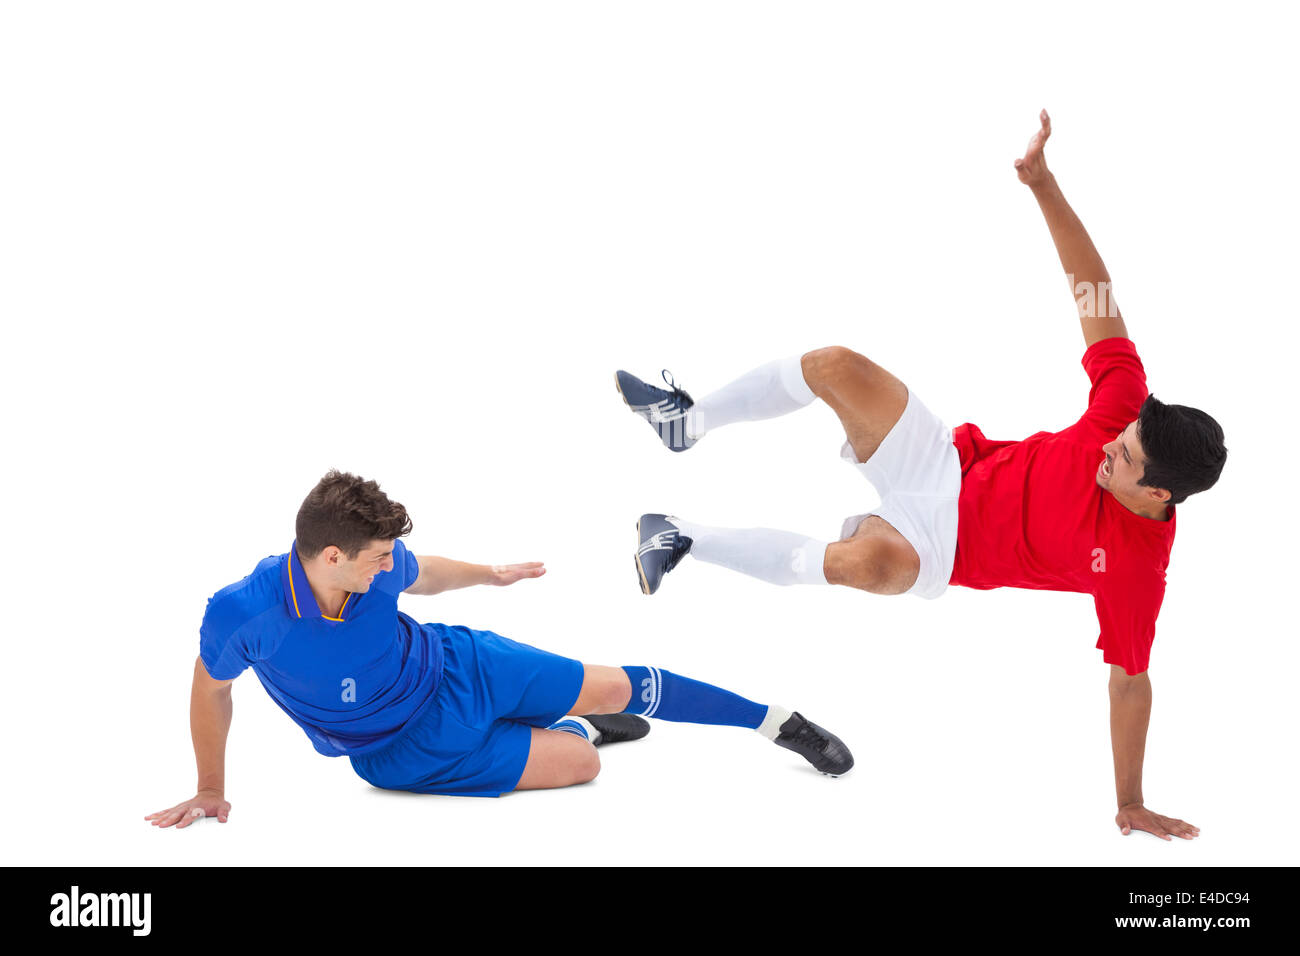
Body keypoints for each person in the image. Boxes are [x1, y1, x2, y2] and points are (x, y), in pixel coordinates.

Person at [616, 111, 1226, 842]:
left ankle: (679, 537)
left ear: (1159, 494)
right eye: (1119, 438)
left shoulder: (1136, 568)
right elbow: (1092, 292)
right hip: (949, 461)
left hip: (943, 546)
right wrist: (1043, 186)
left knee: (862, 565)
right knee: (834, 363)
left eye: (1124, 460)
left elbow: (1130, 684)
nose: (1109, 450)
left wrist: (1129, 798)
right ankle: (689, 420)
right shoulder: (1123, 404)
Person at [145, 470, 852, 829]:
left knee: (613, 686)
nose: (388, 565)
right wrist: (212, 788)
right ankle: (574, 731)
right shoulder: (244, 612)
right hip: (402, 749)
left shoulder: (380, 568)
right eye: (376, 557)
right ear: (331, 556)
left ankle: (774, 720)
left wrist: (490, 574)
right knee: (578, 762)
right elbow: (210, 687)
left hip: (459, 666)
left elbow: (428, 576)